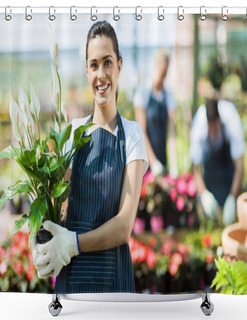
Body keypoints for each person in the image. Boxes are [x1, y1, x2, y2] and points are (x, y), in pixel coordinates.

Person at [32, 21, 148, 294]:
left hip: (114, 281)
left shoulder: (131, 135)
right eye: (94, 65)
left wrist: (74, 243)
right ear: (86, 70)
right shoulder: (73, 133)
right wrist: (39, 242)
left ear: (119, 65)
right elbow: (59, 210)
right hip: (72, 282)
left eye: (107, 63)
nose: (101, 74)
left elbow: (123, 226)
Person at [190, 97, 244, 225]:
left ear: (219, 120)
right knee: (210, 220)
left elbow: (240, 167)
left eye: (216, 126)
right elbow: (196, 169)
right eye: (211, 127)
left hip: (228, 172)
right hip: (210, 173)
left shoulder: (231, 118)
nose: (213, 132)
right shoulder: (199, 124)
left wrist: (232, 197)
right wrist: (204, 194)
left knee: (230, 221)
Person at [134, 47, 178, 178]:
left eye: (166, 73)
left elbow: (171, 133)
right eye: (162, 71)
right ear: (156, 65)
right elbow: (141, 132)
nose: (163, 76)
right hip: (145, 162)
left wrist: (174, 164)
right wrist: (153, 163)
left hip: (162, 159)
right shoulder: (143, 93)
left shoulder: (169, 95)